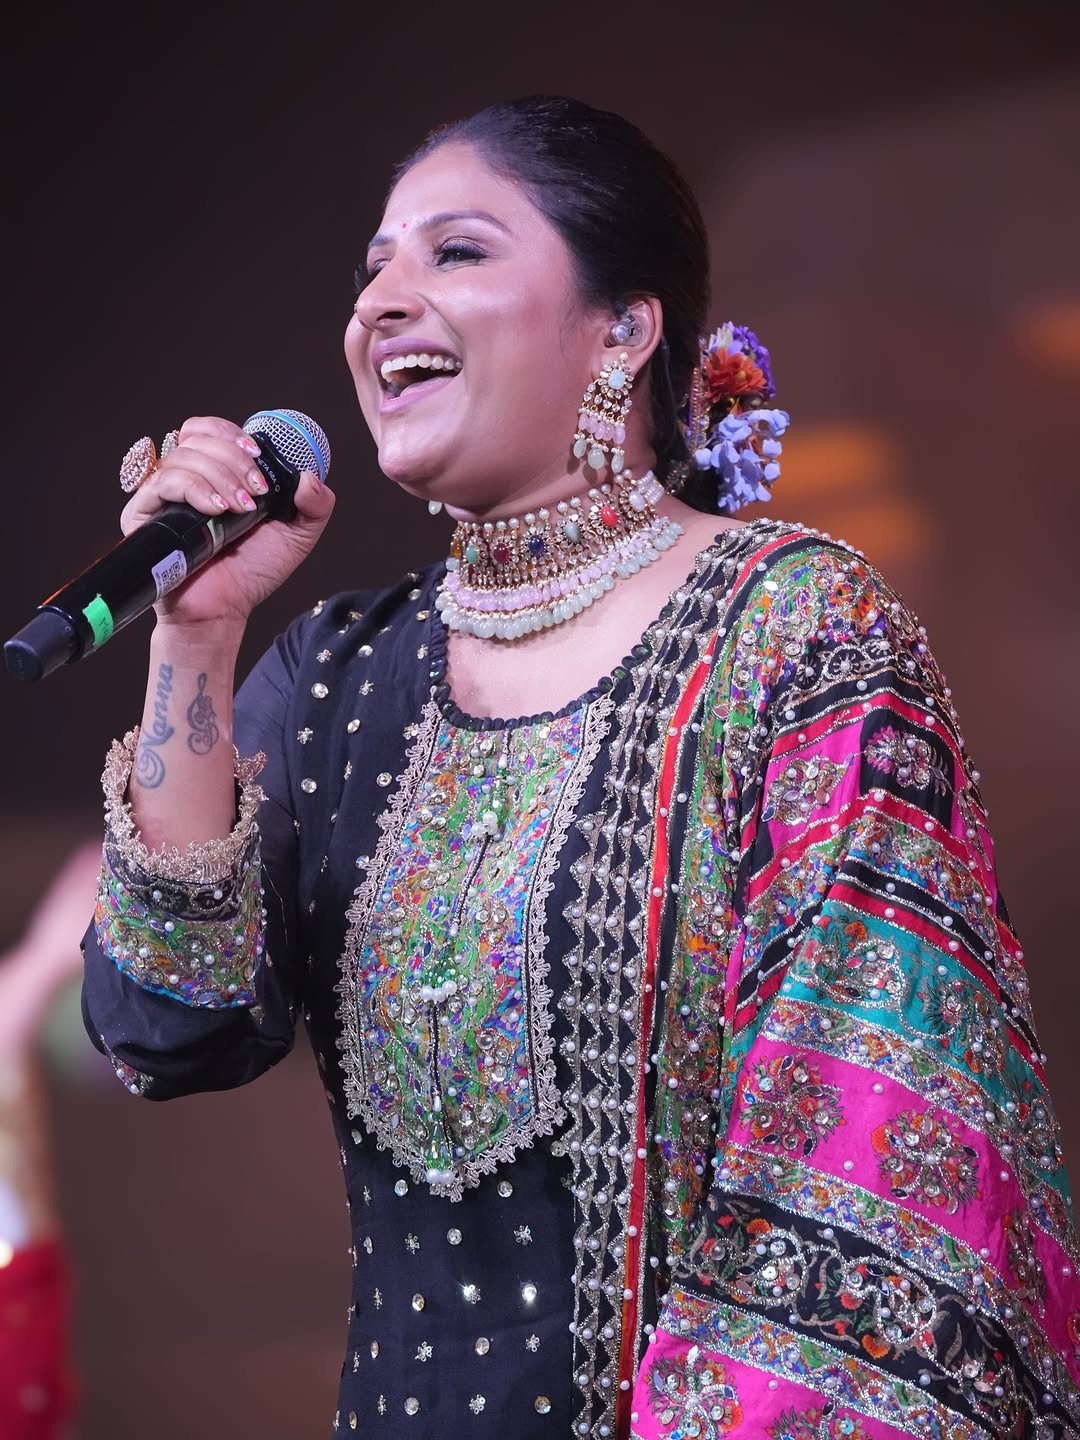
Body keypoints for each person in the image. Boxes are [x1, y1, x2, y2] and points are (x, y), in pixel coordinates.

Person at [81, 97, 1079, 1439]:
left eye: (456, 251)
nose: (380, 302)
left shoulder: (794, 631)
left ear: (624, 328)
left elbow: (866, 1170)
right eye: (373, 267)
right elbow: (162, 1027)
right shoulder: (335, 675)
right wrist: (196, 638)